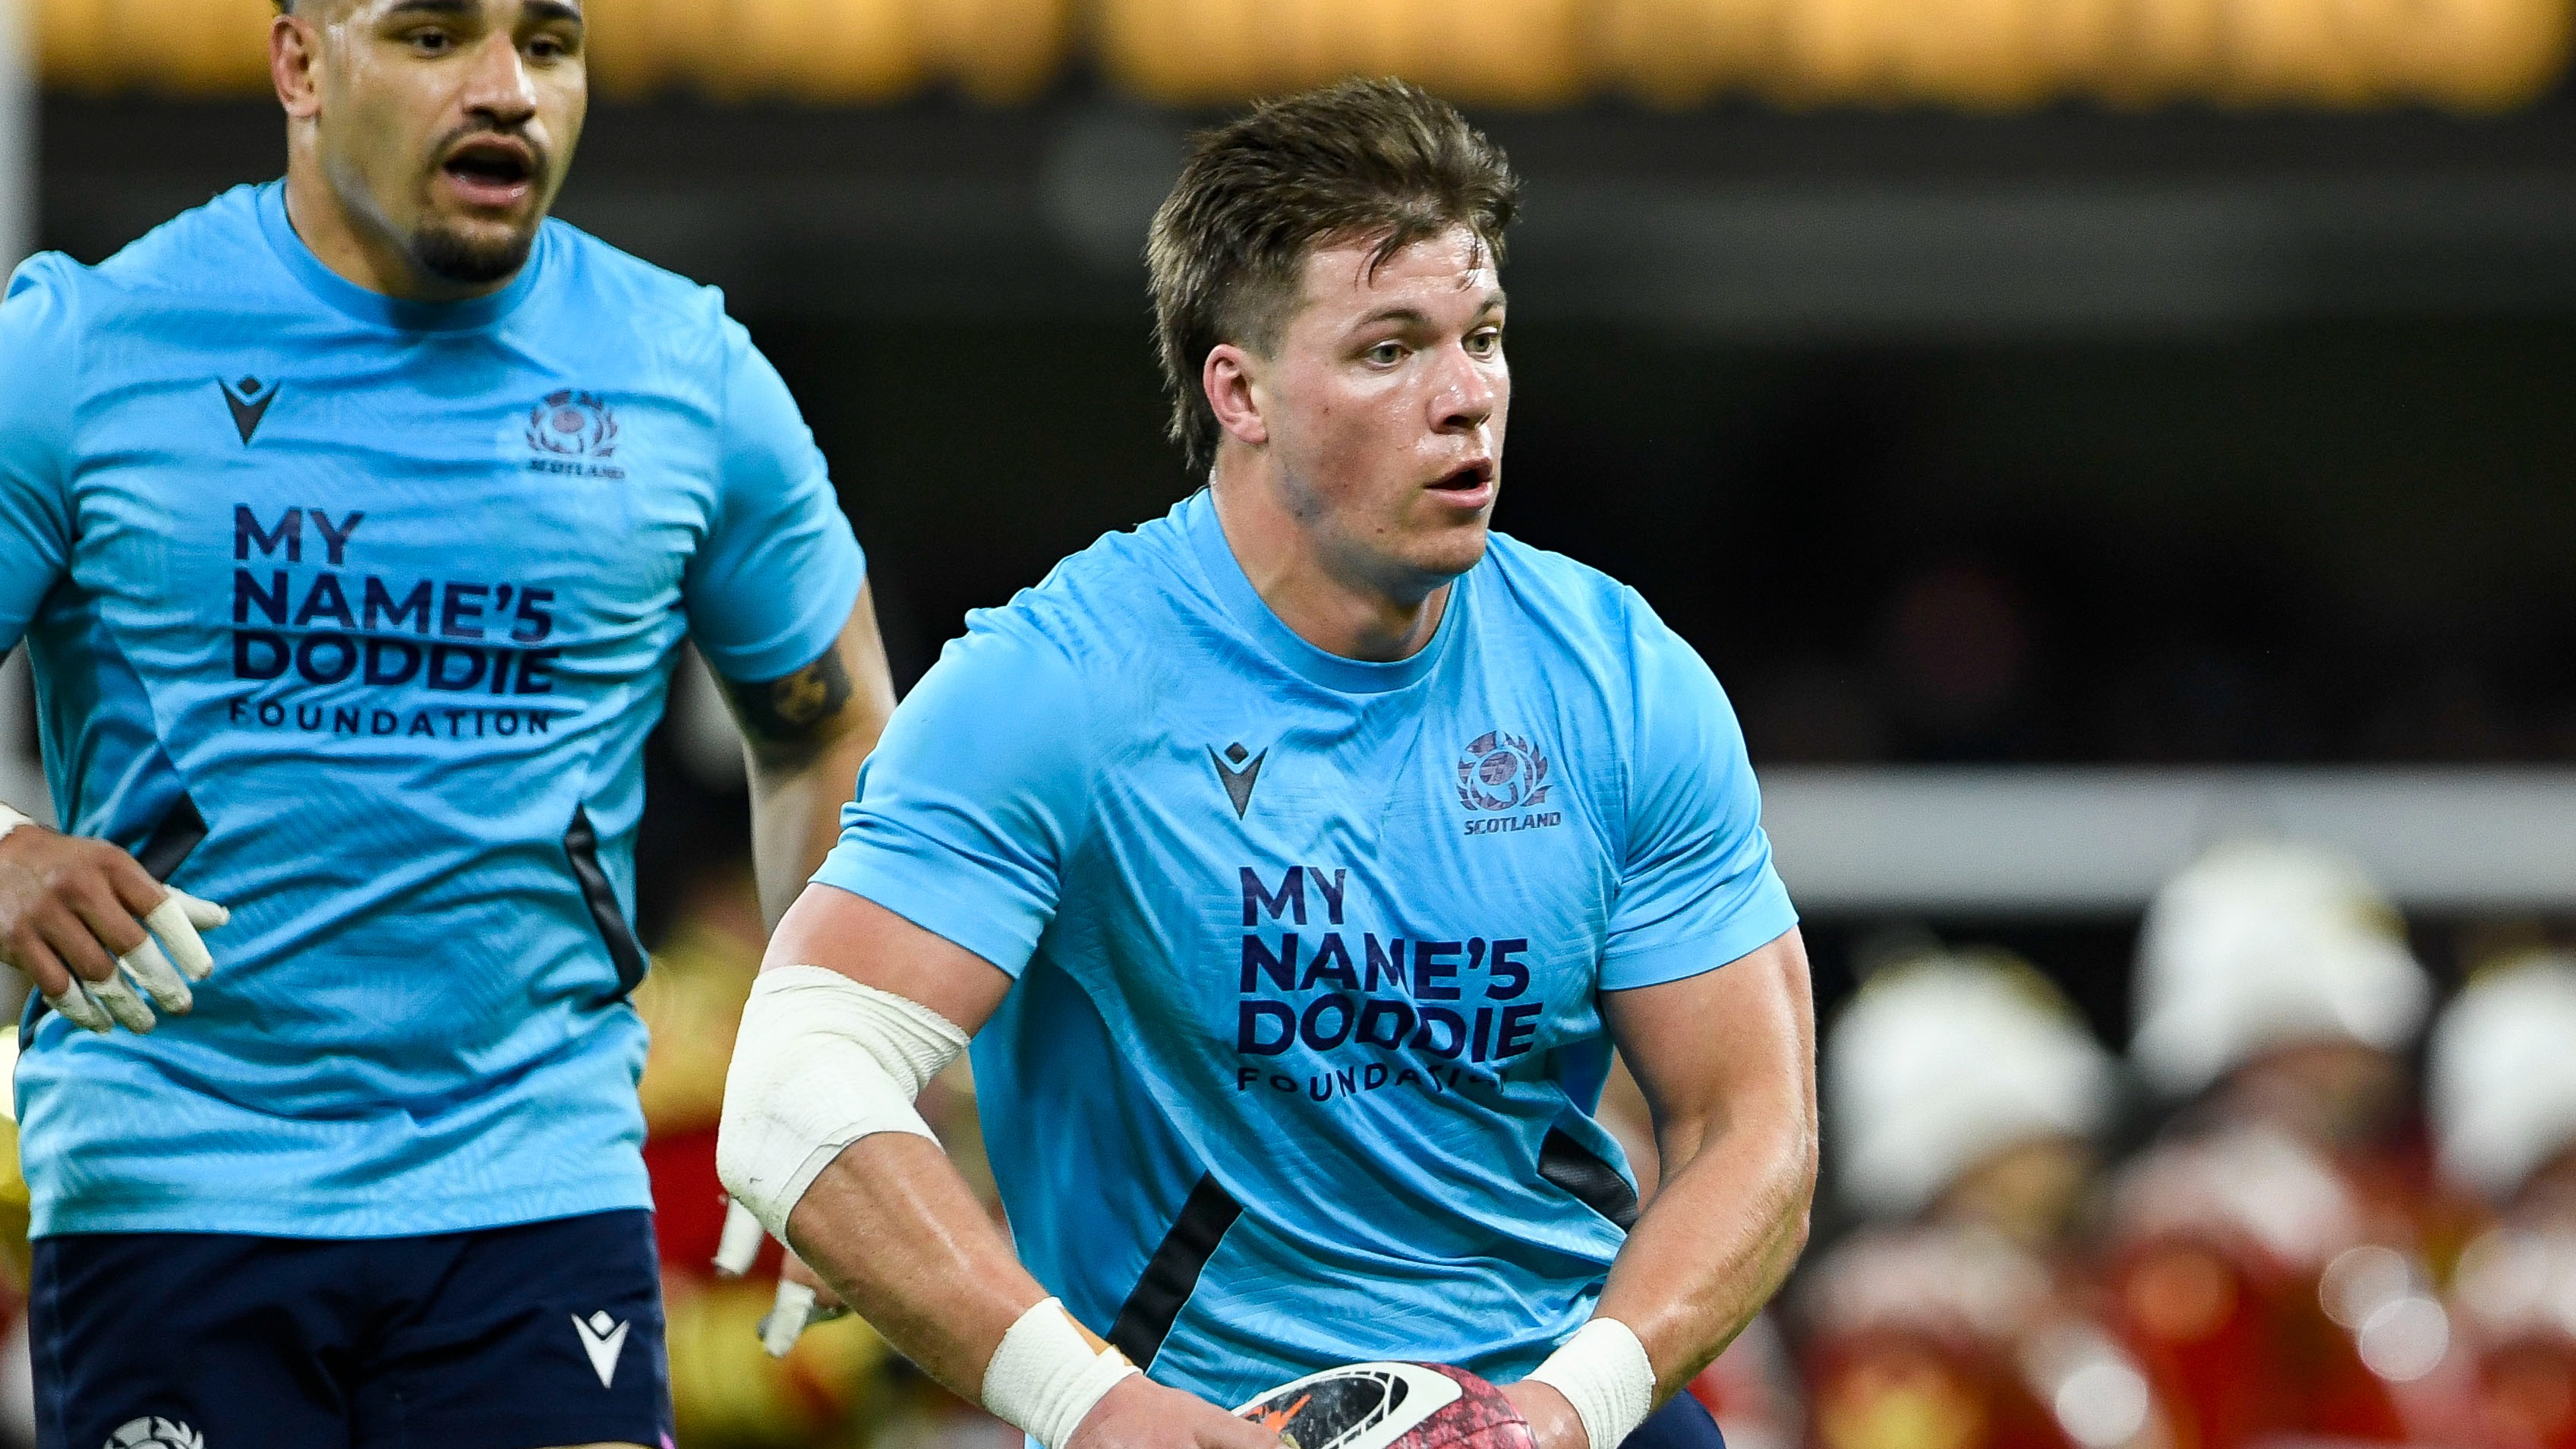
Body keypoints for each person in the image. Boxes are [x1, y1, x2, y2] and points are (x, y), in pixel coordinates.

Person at [715, 77, 1818, 1449]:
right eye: (1388, 350)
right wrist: (1099, 1411)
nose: (1465, 396)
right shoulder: (1055, 690)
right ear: (1236, 389)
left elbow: (1750, 1128)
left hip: (1550, 1404)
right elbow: (792, 1093)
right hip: (1182, 1420)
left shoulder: (1620, 680)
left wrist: (1557, 1413)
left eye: (1482, 337)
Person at [0, 1, 897, 1444]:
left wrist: (833, 1071)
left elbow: (831, 732)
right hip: (175, 1195)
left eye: (547, 44)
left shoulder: (686, 375)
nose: (506, 91)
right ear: (299, 64)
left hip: (541, 1196)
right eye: (431, 37)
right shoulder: (83, 351)